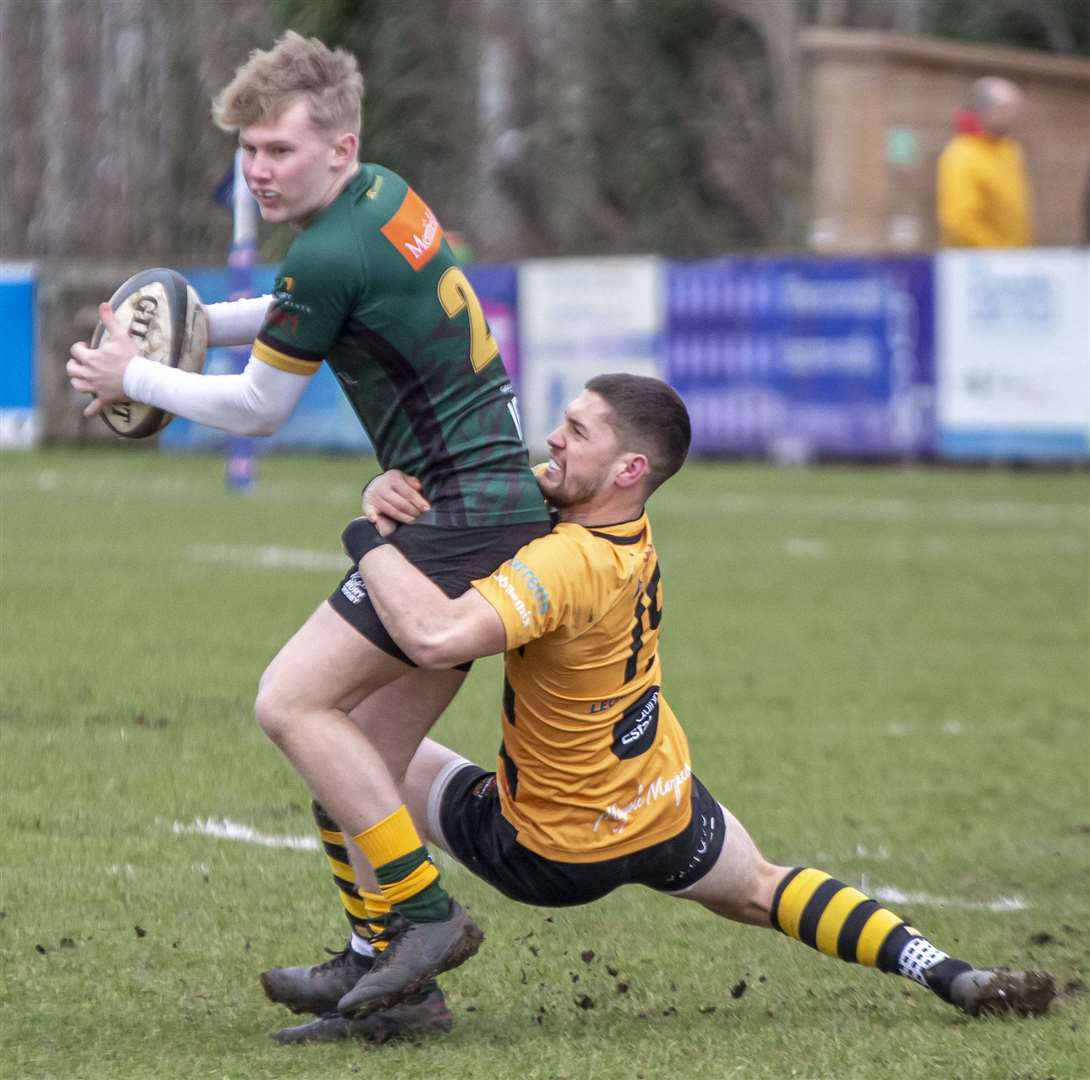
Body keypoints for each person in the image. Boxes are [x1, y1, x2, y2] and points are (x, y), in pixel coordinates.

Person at [264, 373, 1055, 1044]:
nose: (554, 438)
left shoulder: (567, 562)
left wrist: (368, 534)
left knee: (353, 753)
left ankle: (382, 960)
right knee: (765, 887)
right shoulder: (622, 527)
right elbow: (510, 491)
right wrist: (398, 485)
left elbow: (437, 638)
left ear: (629, 465)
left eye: (575, 429)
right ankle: (950, 974)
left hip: (549, 846)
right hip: (656, 799)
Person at [65, 31, 551, 1023]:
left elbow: (256, 410)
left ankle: (418, 918)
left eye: (278, 150)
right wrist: (193, 314)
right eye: (248, 151)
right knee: (354, 756)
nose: (258, 171)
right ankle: (390, 984)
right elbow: (302, 307)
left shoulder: (330, 248)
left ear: (338, 144)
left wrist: (135, 378)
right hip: (487, 508)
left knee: (290, 704)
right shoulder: (382, 194)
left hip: (449, 518)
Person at [936, 76, 1034, 248]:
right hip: (977, 265)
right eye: (1008, 109)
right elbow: (960, 219)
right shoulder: (962, 153)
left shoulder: (1009, 149)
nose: (1015, 116)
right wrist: (997, 252)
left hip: (1014, 262)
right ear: (987, 110)